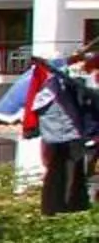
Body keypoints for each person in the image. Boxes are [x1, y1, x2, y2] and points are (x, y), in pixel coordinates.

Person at [35, 50, 94, 215]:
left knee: (66, 173)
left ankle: (65, 207)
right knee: (66, 173)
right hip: (66, 133)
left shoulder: (58, 79)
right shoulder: (58, 78)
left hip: (68, 133)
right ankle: (66, 207)